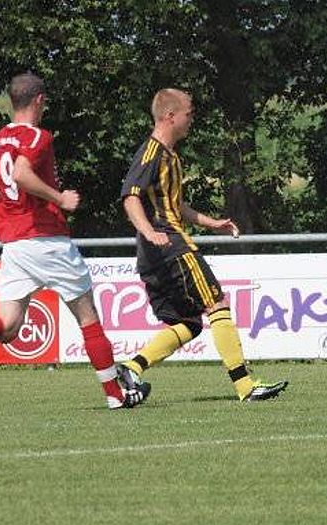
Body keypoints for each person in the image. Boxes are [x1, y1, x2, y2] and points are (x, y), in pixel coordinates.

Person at [0, 73, 149, 410]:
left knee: (7, 329)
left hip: (15, 246)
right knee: (88, 317)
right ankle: (116, 395)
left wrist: (16, 208)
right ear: (39, 100)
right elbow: (21, 174)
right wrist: (59, 198)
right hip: (46, 239)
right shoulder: (38, 136)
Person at [118, 88, 288, 402]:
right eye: (189, 113)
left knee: (189, 323)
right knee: (216, 303)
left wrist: (213, 223)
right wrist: (150, 231)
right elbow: (130, 197)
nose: (192, 118)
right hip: (171, 246)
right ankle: (246, 387)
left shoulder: (170, 156)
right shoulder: (152, 153)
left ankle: (132, 367)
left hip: (156, 252)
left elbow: (177, 206)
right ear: (170, 116)